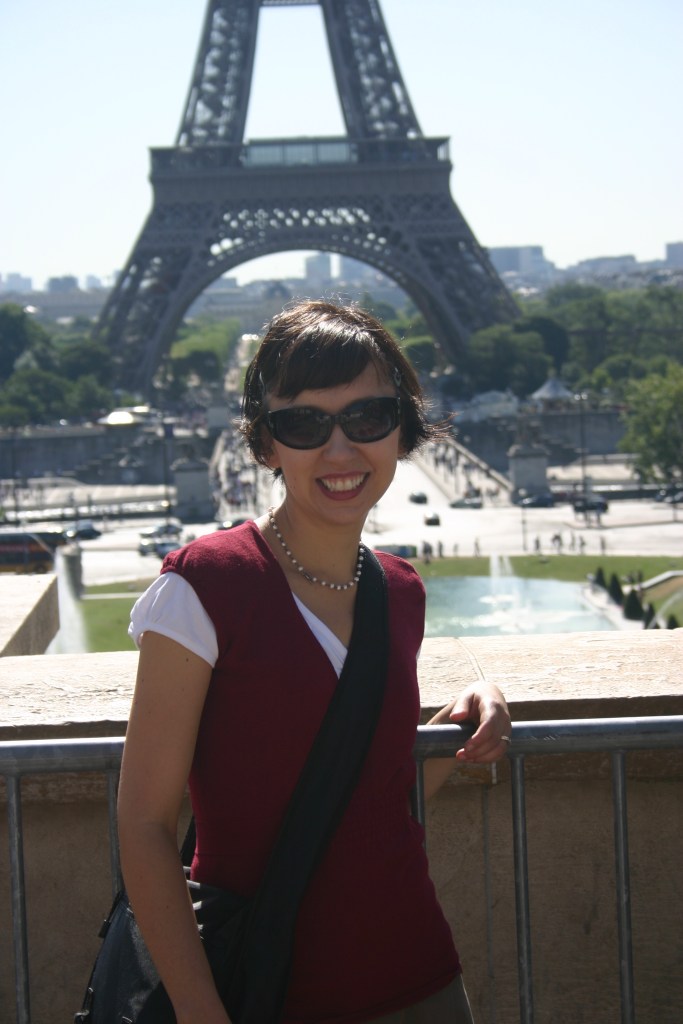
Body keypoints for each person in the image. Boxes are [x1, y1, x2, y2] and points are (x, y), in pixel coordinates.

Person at [117, 301, 511, 1024]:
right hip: (264, 991)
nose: (339, 451)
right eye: (302, 424)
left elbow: (369, 791)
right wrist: (203, 1013)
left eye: (367, 418)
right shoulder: (201, 587)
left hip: (421, 977)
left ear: (402, 430)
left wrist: (472, 707)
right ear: (265, 446)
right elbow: (143, 824)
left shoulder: (400, 591)